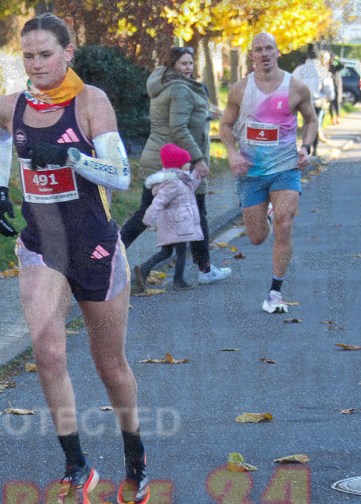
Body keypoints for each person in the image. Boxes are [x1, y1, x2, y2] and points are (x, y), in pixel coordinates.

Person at [0, 13, 149, 504]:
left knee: (110, 365)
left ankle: (135, 456)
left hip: (95, 245)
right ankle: (76, 465)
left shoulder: (90, 102)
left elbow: (121, 176)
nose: (35, 65)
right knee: (48, 353)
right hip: (42, 246)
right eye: (28, 56)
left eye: (45, 55)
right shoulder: (11, 105)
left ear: (68, 52)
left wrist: (68, 158)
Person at [218, 32, 317, 314]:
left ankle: (275, 292)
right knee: (257, 237)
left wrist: (306, 148)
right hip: (251, 172)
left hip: (285, 167)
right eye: (258, 49)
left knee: (285, 224)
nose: (264, 54)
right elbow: (225, 126)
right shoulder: (239, 89)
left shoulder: (296, 87)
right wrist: (233, 153)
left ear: (277, 52)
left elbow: (311, 120)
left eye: (269, 48)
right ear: (252, 55)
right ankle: (270, 215)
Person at [122, 46, 231, 289]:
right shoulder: (180, 88)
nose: (188, 68)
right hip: (179, 162)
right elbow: (179, 128)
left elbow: (178, 119)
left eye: (191, 63)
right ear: (171, 66)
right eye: (183, 63)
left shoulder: (163, 83)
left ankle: (110, 257)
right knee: (197, 214)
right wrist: (199, 160)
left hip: (158, 158)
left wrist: (206, 114)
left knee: (145, 212)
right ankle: (204, 269)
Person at [131, 144, 203, 292]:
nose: (189, 164)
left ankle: (144, 269)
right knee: (181, 251)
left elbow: (190, 188)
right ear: (177, 163)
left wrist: (197, 175)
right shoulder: (173, 183)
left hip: (175, 222)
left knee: (166, 252)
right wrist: (148, 219)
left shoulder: (180, 179)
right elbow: (159, 201)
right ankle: (179, 280)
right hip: (177, 223)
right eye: (186, 162)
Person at [291, 44, 333, 146]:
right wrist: (330, 98)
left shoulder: (299, 69)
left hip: (302, 103)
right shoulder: (322, 71)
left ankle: (305, 145)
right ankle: (313, 148)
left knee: (306, 124)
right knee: (314, 125)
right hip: (317, 102)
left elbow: (291, 85)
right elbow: (329, 90)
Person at [328, 54, 344, 124]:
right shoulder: (327, 67)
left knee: (337, 102)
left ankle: (338, 116)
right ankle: (332, 118)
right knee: (331, 102)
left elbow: (342, 65)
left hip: (337, 85)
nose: (331, 60)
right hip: (330, 86)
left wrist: (336, 60)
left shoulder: (335, 66)